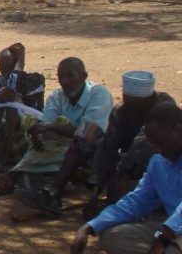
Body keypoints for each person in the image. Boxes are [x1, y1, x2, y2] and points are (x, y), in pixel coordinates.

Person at [70, 102, 182, 254]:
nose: (157, 150)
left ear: (178, 130)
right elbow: (136, 201)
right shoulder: (159, 162)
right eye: (153, 144)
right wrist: (90, 226)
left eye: (161, 142)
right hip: (171, 234)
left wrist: (162, 238)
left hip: (172, 233)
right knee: (112, 237)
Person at [22, 71, 173, 217]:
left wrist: (116, 182)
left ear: (148, 100)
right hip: (126, 163)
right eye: (128, 103)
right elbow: (108, 148)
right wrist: (95, 193)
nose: (131, 110)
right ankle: (54, 193)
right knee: (88, 132)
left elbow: (142, 149)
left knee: (127, 186)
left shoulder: (163, 108)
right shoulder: (122, 111)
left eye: (136, 106)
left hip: (157, 164)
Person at [12, 57, 113, 208]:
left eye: (70, 76)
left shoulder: (99, 94)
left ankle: (43, 189)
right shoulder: (57, 96)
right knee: (40, 132)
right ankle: (28, 180)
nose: (64, 81)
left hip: (93, 152)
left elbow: (88, 134)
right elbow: (45, 122)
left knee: (70, 135)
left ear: (84, 76)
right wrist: (39, 134)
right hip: (63, 148)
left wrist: (51, 127)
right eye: (60, 77)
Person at [0, 43, 45, 188]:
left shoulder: (35, 80)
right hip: (5, 129)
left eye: (10, 68)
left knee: (11, 103)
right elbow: (6, 93)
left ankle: (0, 160)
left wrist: (19, 65)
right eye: (2, 69)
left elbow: (15, 91)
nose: (5, 73)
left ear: (19, 65)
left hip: (29, 129)